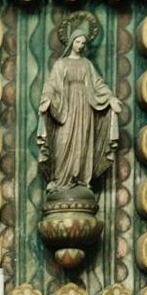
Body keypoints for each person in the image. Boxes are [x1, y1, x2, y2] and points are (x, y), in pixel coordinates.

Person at [37, 18, 120, 194]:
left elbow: (98, 84)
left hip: (85, 108)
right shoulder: (61, 64)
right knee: (64, 141)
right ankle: (60, 179)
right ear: (71, 43)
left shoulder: (87, 64)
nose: (81, 45)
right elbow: (51, 85)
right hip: (66, 109)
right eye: (78, 41)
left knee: (83, 143)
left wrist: (110, 98)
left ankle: (82, 179)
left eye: (83, 42)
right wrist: (47, 98)